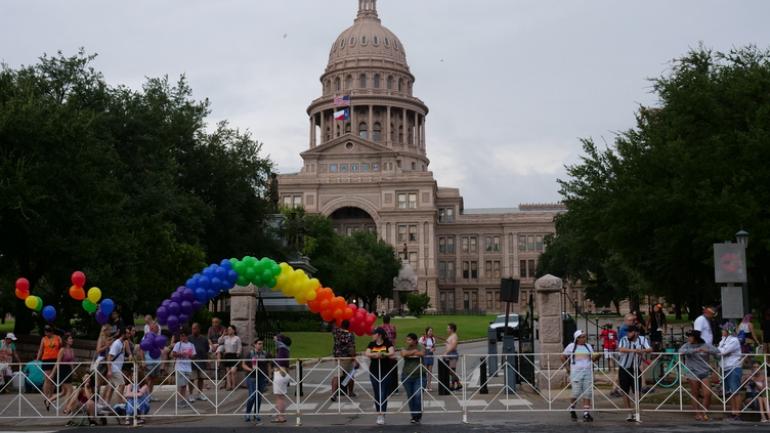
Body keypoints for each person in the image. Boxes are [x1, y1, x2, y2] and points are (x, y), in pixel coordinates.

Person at [679, 329, 720, 421]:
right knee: (695, 393)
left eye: (690, 336)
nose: (688, 338)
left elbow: (718, 353)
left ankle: (704, 412)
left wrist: (709, 351)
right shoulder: (687, 345)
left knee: (707, 393)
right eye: (688, 336)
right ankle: (697, 413)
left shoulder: (706, 345)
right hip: (692, 372)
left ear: (696, 337)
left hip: (705, 372)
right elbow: (680, 351)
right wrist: (696, 350)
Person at [616, 325, 651, 422]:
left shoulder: (642, 339)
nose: (628, 333)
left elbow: (650, 349)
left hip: (635, 368)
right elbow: (621, 349)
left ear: (636, 332)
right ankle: (629, 413)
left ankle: (636, 412)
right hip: (624, 368)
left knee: (637, 391)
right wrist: (634, 350)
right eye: (628, 332)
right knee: (625, 391)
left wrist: (642, 350)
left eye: (630, 332)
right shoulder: (624, 339)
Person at [562, 330, 599, 422]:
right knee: (576, 392)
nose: (584, 338)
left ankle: (586, 413)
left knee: (588, 392)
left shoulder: (588, 346)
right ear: (577, 338)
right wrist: (567, 367)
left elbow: (592, 358)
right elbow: (563, 356)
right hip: (576, 372)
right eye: (582, 337)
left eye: (584, 336)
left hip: (587, 371)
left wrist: (597, 357)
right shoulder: (571, 346)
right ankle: (572, 408)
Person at [365, 327, 396, 425]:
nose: (372, 335)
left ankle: (382, 414)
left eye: (374, 333)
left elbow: (392, 352)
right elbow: (367, 353)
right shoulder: (371, 344)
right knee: (377, 393)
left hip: (385, 371)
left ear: (379, 335)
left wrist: (382, 354)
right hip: (374, 371)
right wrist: (375, 355)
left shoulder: (387, 343)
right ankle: (379, 412)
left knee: (383, 392)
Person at [718, 322, 743, 421]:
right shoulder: (723, 339)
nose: (721, 331)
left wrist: (719, 350)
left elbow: (722, 351)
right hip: (725, 367)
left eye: (723, 329)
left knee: (735, 391)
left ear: (728, 331)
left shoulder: (734, 340)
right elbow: (719, 350)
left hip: (734, 367)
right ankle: (733, 412)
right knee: (729, 392)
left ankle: (738, 413)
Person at [242, 338, 270, 422]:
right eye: (259, 343)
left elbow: (268, 364)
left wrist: (268, 375)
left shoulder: (265, 354)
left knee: (259, 396)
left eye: (261, 344)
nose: (260, 345)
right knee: (252, 396)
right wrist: (250, 370)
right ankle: (247, 413)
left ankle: (256, 413)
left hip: (262, 377)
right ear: (255, 344)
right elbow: (243, 364)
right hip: (252, 377)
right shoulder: (250, 353)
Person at [401, 333, 425, 424]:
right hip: (407, 375)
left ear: (415, 340)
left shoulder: (421, 346)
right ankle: (414, 416)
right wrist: (413, 352)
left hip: (420, 375)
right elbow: (403, 353)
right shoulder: (406, 347)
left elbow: (422, 353)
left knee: (418, 395)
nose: (408, 341)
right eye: (407, 340)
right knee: (410, 397)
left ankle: (417, 414)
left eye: (409, 340)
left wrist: (410, 353)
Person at [36, 324, 62, 411]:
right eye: (46, 331)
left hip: (55, 359)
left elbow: (62, 347)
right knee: (47, 378)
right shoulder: (44, 339)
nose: (47, 333)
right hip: (46, 359)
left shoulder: (58, 338)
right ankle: (46, 397)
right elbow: (40, 350)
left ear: (52, 331)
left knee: (53, 379)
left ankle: (51, 397)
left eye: (49, 331)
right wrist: (37, 359)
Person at [330, 320, 356, 402]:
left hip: (337, 357)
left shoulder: (336, 332)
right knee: (350, 375)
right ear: (348, 326)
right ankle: (350, 392)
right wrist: (353, 357)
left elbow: (333, 325)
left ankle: (334, 394)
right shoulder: (350, 334)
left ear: (341, 325)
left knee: (336, 376)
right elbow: (351, 347)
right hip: (347, 358)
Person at [171, 328, 196, 408]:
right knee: (180, 385)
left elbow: (194, 355)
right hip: (180, 367)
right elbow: (173, 354)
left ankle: (182, 400)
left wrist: (190, 355)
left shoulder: (191, 345)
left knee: (185, 385)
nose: (182, 337)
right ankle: (179, 401)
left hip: (188, 367)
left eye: (184, 336)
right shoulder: (178, 344)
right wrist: (181, 353)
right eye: (181, 336)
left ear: (186, 336)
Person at [271, 334, 292, 424]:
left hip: (280, 374)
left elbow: (282, 362)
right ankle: (279, 415)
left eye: (277, 339)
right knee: (281, 397)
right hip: (283, 374)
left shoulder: (282, 349)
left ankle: (281, 416)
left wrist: (282, 373)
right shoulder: (285, 349)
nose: (275, 339)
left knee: (279, 397)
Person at [104, 329, 127, 405]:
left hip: (116, 368)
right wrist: (109, 370)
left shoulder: (122, 343)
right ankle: (120, 403)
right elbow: (109, 357)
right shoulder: (117, 343)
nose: (129, 335)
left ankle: (106, 404)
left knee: (111, 387)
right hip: (114, 368)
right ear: (123, 334)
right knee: (122, 384)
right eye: (128, 333)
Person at [55, 333, 77, 413]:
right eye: (70, 339)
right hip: (63, 370)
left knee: (65, 391)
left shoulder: (71, 350)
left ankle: (49, 400)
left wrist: (73, 371)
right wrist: (58, 373)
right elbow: (58, 362)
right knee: (69, 390)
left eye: (72, 338)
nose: (72, 340)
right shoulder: (62, 350)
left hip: (68, 370)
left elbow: (71, 362)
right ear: (66, 341)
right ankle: (67, 408)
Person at [189, 323, 210, 401]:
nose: (193, 330)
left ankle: (200, 394)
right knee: (191, 379)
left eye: (195, 328)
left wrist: (207, 361)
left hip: (202, 361)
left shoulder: (204, 339)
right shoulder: (189, 338)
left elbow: (207, 350)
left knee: (201, 378)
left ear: (198, 329)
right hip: (192, 362)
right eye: (192, 328)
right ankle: (191, 394)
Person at [218, 325, 242, 391]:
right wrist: (223, 334)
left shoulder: (237, 338)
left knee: (233, 371)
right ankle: (229, 385)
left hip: (234, 355)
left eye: (231, 329)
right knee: (228, 372)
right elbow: (219, 341)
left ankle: (234, 385)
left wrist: (238, 353)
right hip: (227, 355)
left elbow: (239, 346)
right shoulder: (225, 338)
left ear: (234, 330)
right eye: (228, 329)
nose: (229, 331)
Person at [444, 323, 461, 391]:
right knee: (450, 371)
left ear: (452, 329)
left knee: (452, 370)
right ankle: (458, 384)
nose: (447, 329)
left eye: (448, 328)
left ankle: (452, 385)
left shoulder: (454, 336)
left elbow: (453, 346)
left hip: (452, 355)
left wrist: (446, 352)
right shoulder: (451, 336)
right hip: (449, 355)